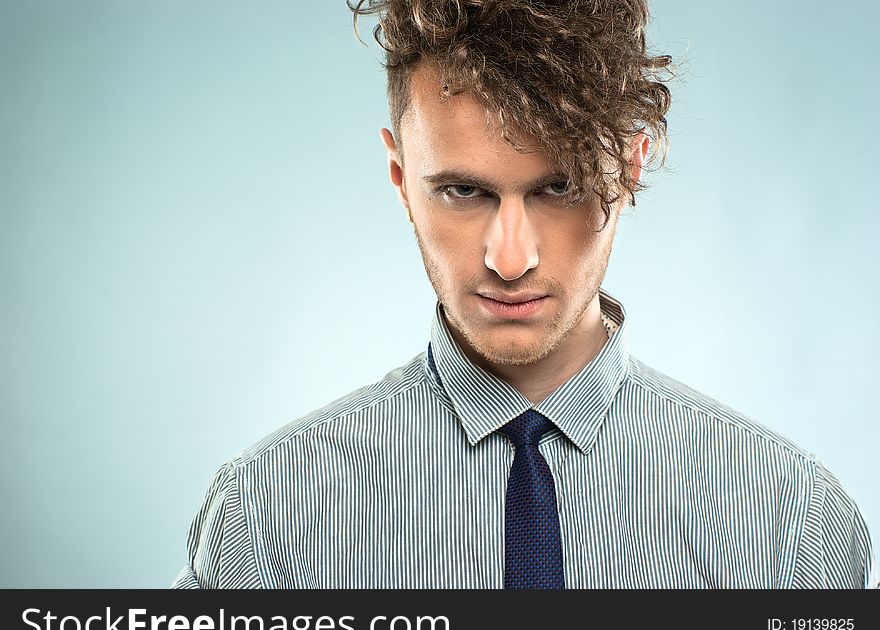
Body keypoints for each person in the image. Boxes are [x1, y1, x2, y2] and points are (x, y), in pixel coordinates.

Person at [172, 0, 874, 589]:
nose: (511, 258)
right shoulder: (265, 521)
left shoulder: (791, 525)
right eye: (464, 190)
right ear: (398, 176)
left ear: (630, 168)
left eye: (558, 187)